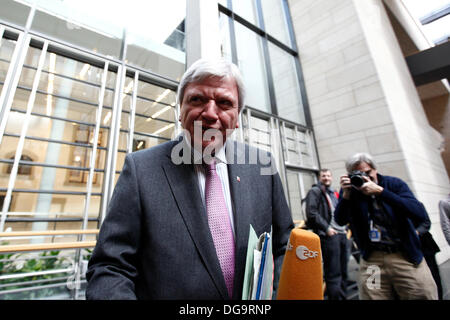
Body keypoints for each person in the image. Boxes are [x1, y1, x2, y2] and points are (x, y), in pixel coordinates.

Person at [85, 58, 294, 300]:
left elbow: (284, 246)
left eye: (225, 103)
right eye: (197, 99)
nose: (210, 113)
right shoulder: (141, 170)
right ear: (180, 111)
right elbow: (110, 268)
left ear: (237, 118)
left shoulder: (261, 167)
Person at [334, 153, 438, 300]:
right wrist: (345, 195)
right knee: (373, 296)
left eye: (368, 173)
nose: (365, 178)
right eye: (359, 174)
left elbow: (418, 212)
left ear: (375, 169)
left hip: (404, 257)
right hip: (373, 261)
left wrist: (381, 192)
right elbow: (340, 220)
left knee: (420, 293)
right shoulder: (352, 192)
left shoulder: (393, 184)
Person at [305, 168, 348, 300]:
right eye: (324, 176)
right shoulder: (315, 191)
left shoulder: (334, 192)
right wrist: (327, 229)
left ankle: (343, 296)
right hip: (329, 236)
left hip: (342, 234)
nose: (326, 178)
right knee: (333, 273)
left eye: (329, 176)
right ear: (319, 177)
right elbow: (311, 213)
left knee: (343, 272)